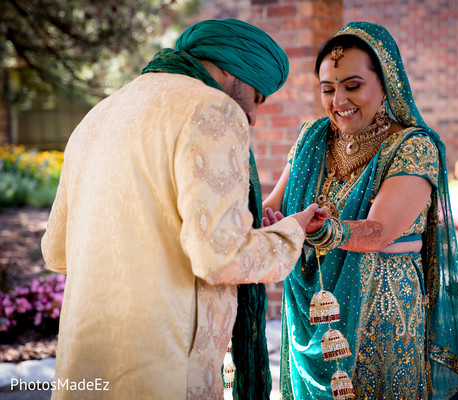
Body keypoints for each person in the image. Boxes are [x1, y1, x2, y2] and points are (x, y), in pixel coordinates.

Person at [41, 19, 322, 399]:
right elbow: (221, 258)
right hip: (162, 369)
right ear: (230, 68)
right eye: (257, 96)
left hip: (85, 368)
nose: (253, 116)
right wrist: (290, 233)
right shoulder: (213, 110)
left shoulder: (98, 115)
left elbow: (56, 251)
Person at [263, 21, 458, 399]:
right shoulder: (312, 137)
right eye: (327, 89)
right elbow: (272, 206)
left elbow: (380, 230)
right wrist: (267, 222)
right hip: (311, 309)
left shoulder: (412, 146)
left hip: (382, 309)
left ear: (386, 83)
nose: (339, 102)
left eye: (353, 86)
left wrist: (323, 232)